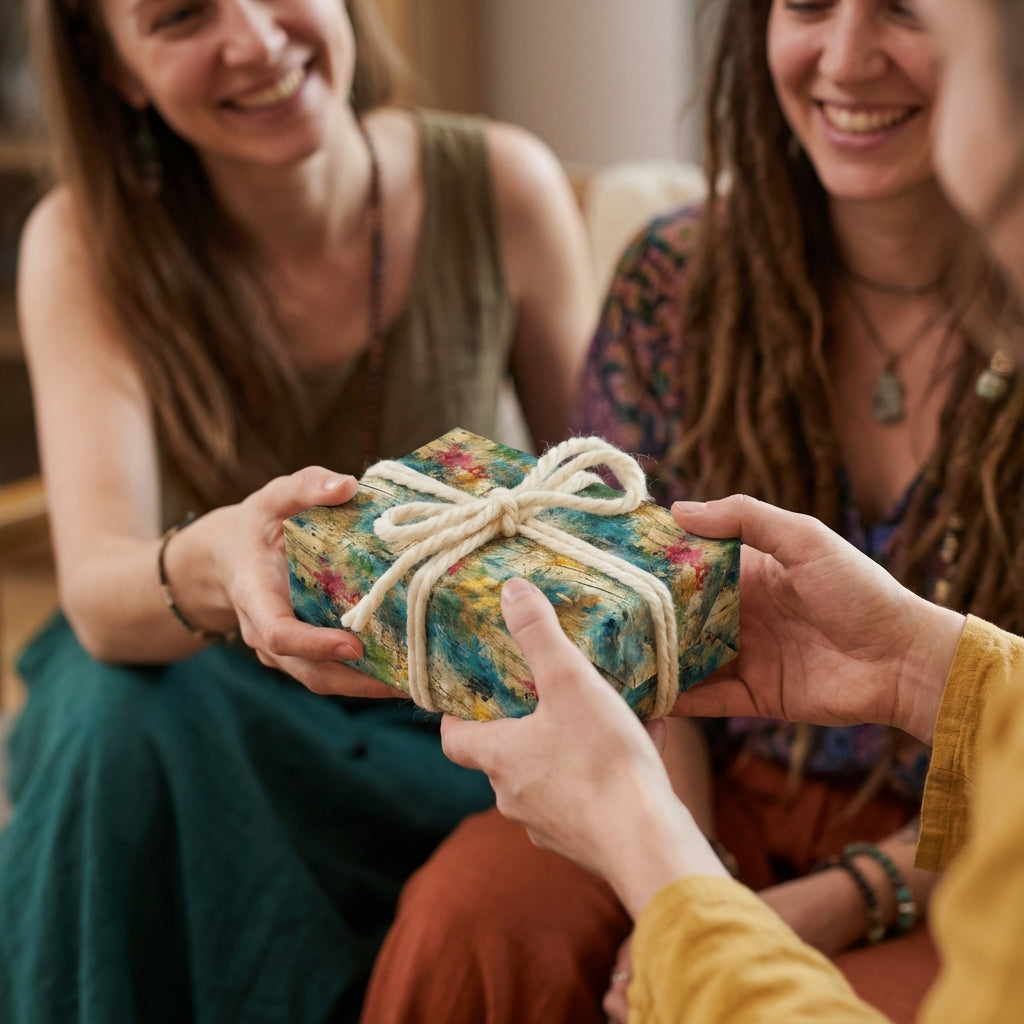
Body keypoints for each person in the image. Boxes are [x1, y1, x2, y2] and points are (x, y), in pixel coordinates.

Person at [359, 2, 1024, 1021]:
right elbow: (616, 635)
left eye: (904, 6)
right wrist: (685, 852)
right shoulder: (674, 280)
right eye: (807, 2)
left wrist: (845, 894)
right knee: (470, 925)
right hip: (691, 771)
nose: (846, 56)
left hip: (975, 832)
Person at [0, 0, 595, 1020]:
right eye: (180, 15)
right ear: (120, 73)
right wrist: (223, 559)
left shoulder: (502, 185)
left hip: (437, 708)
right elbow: (101, 593)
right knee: (111, 719)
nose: (255, 38)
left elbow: (596, 518)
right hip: (203, 698)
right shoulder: (84, 241)